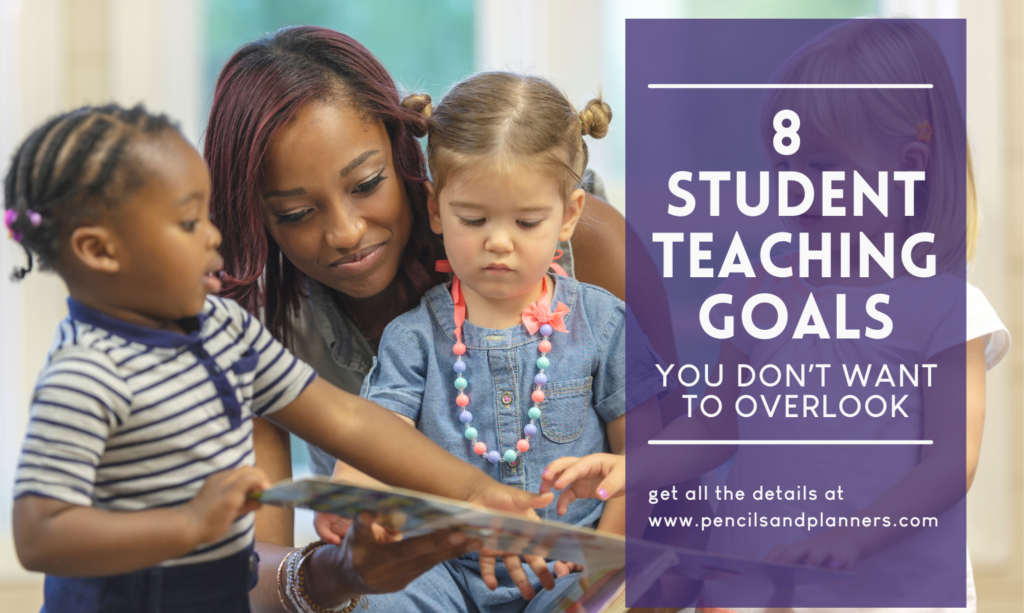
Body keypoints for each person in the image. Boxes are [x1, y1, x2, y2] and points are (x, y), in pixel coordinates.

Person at [205, 26, 698, 612]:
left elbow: (669, 484)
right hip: (431, 575)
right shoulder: (281, 322)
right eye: (295, 213)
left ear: (403, 154)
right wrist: (334, 561)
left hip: (581, 566)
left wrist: (606, 578)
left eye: (367, 184)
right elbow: (259, 562)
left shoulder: (592, 268)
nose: (345, 233)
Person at [6, 103, 555, 613]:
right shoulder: (84, 376)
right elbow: (39, 535)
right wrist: (189, 525)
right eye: (188, 222)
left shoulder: (224, 329)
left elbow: (345, 418)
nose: (214, 236)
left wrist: (477, 492)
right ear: (99, 250)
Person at [542, 20, 1011, 613]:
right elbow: (717, 426)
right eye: (783, 169)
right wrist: (628, 467)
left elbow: (948, 466)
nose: (791, 190)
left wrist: (852, 537)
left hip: (891, 597)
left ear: (910, 167)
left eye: (818, 170)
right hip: (754, 586)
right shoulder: (764, 289)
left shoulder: (945, 310)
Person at [303, 71, 667, 612]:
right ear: (435, 208)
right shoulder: (413, 336)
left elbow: (641, 461)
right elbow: (376, 439)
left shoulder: (605, 323)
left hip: (570, 563)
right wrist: (349, 495)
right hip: (441, 567)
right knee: (371, 600)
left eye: (526, 221)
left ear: (569, 216)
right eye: (472, 219)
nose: (499, 241)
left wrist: (607, 559)